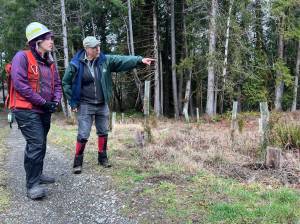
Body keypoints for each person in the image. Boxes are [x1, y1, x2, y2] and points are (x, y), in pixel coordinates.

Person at [62, 36, 154, 174]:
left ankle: (103, 158)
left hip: (102, 103)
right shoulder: (75, 64)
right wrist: (73, 101)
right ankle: (78, 162)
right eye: (94, 47)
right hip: (85, 104)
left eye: (98, 46)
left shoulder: (105, 60)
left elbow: (121, 60)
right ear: (87, 49)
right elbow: (66, 83)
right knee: (83, 134)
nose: (98, 49)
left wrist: (139, 60)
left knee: (103, 132)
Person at [9, 22, 62, 199]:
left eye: (51, 38)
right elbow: (20, 85)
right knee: (36, 144)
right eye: (47, 38)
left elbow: (57, 85)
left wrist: (55, 101)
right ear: (36, 41)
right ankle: (32, 185)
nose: (51, 41)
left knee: (40, 143)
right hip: (26, 110)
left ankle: (37, 174)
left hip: (44, 110)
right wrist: (43, 102)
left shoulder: (50, 62)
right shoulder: (21, 57)